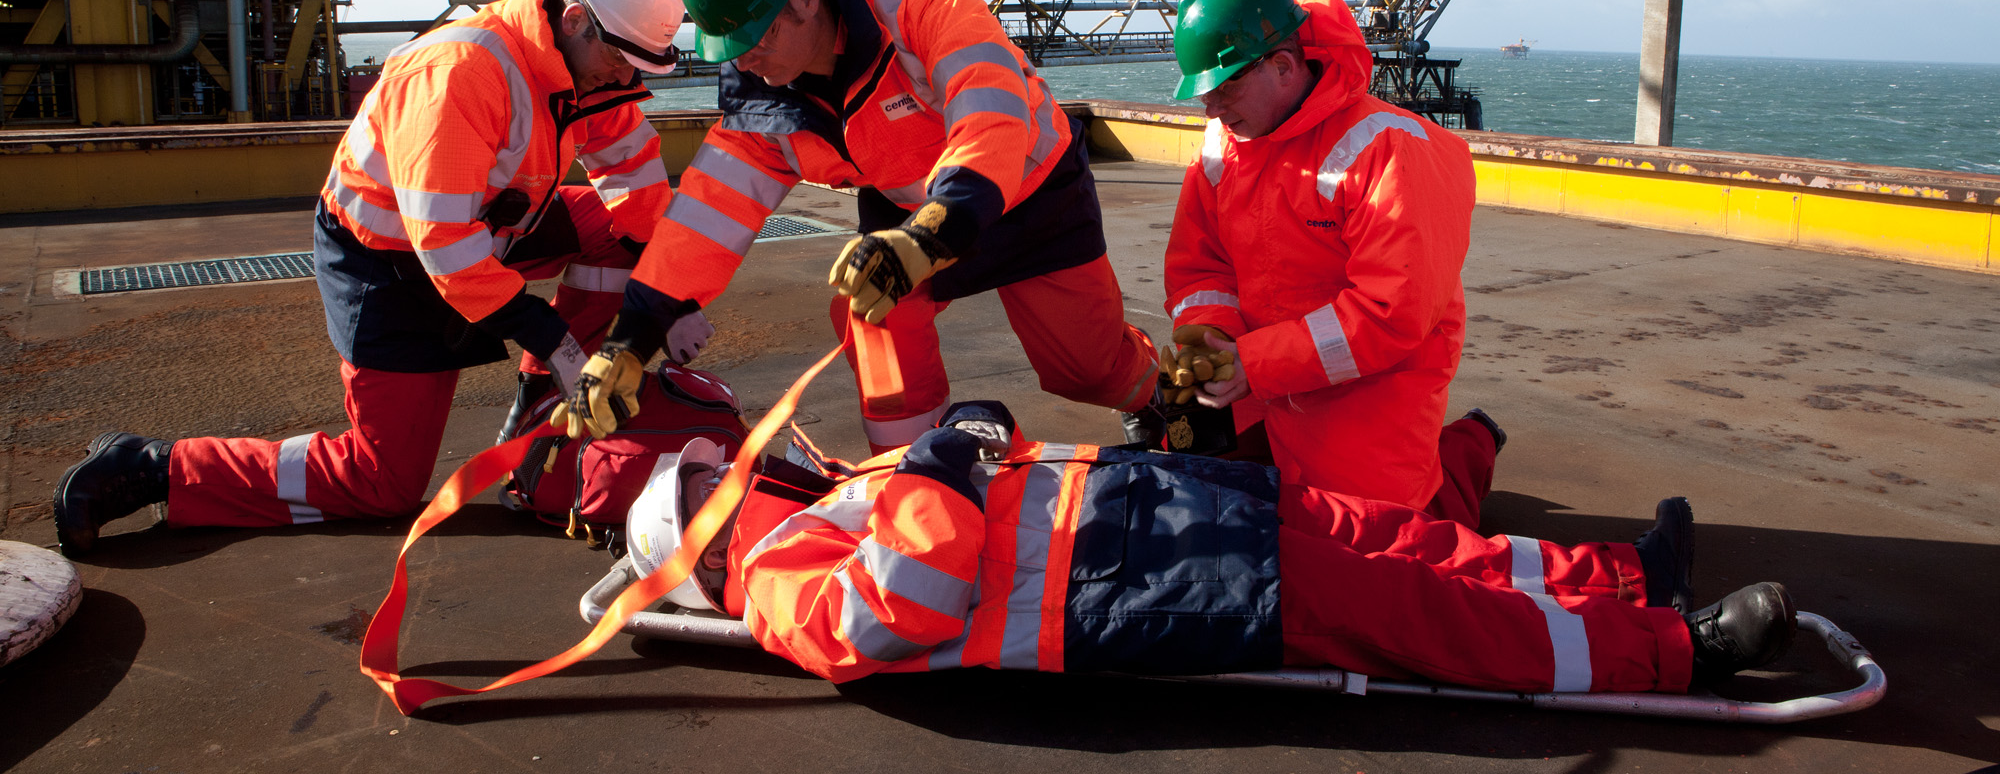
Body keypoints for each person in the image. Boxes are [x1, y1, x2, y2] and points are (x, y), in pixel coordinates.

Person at [53, 0, 705, 555]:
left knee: (626, 237)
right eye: (620, 58)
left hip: (493, 229)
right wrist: (552, 341)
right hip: (391, 265)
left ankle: (544, 418)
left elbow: (636, 178)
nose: (622, 76)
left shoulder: (589, 69)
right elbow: (445, 247)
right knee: (379, 482)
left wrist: (670, 293)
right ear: (574, 21)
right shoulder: (462, 72)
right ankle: (155, 468)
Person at [629, 401, 1797, 691]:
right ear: (702, 547)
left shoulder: (823, 497)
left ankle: (1628, 580)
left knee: (1404, 542)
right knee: (1417, 614)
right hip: (1144, 582)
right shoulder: (777, 582)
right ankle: (1673, 652)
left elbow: (995, 492)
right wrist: (938, 467)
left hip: (1155, 512)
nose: (732, 478)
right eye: (708, 492)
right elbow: (911, 599)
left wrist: (976, 439)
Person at [571, 0, 1156, 455]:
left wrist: (933, 233)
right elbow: (703, 220)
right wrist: (632, 336)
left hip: (1030, 195)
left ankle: (1162, 400)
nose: (744, 60)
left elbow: (992, 113)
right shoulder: (762, 103)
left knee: (1089, 369)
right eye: (732, 48)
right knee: (874, 315)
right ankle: (913, 478)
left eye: (756, 39)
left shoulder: (924, 7)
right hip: (910, 211)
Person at [1150, 0, 1495, 524]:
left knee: (1384, 547)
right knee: (1207, 505)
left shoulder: (1392, 150)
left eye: (1224, 87)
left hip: (1370, 392)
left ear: (1284, 66)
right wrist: (1210, 342)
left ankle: (1471, 445)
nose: (1210, 109)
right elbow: (1201, 266)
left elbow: (1390, 314)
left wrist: (1254, 365)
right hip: (1259, 378)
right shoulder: (1226, 143)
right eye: (1204, 94)